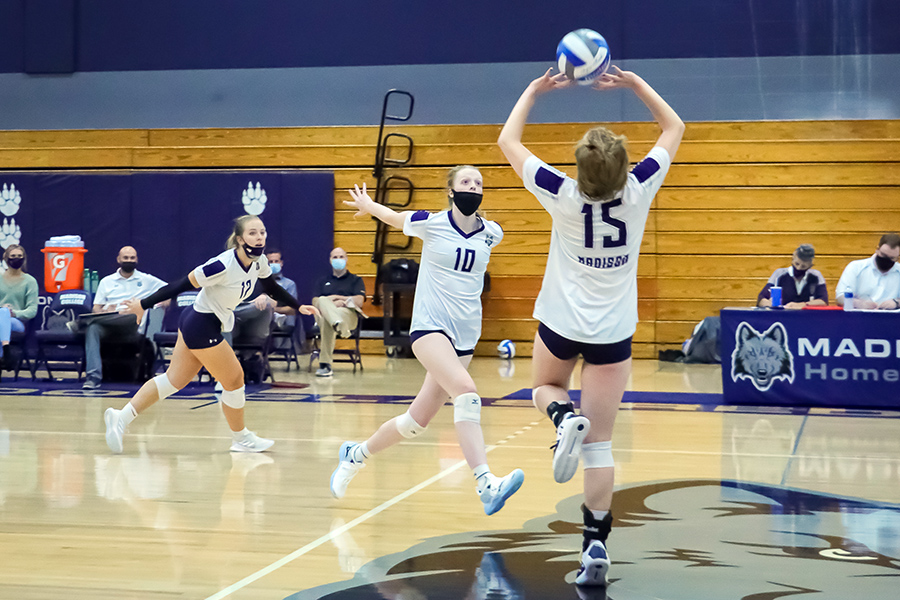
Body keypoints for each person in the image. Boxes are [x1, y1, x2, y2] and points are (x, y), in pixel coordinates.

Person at [498, 66, 684, 586]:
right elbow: (674, 129)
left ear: (579, 170)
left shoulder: (562, 193)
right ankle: (595, 546)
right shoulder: (641, 188)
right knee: (600, 444)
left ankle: (560, 418)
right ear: (625, 167)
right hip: (613, 334)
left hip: (562, 322)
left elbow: (507, 140)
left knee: (544, 386)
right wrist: (635, 84)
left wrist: (534, 91)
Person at [331, 170, 525, 516]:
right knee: (466, 392)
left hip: (466, 335)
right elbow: (394, 217)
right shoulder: (431, 223)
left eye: (479, 184)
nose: (473, 188)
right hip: (430, 329)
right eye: (466, 183)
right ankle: (486, 483)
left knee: (415, 423)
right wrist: (368, 204)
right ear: (450, 191)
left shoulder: (492, 233)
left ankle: (355, 454)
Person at [103, 215, 318, 454]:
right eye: (253, 233)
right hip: (201, 323)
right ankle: (241, 438)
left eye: (263, 232)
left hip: (203, 323)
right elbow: (180, 284)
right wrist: (144, 304)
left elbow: (270, 287)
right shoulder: (221, 265)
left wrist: (298, 306)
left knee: (174, 380)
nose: (259, 238)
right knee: (235, 378)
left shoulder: (259, 261)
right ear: (239, 239)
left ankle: (119, 418)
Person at [80, 246, 167, 390]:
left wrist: (158, 302)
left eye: (132, 258)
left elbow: (168, 291)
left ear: (137, 260)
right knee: (93, 328)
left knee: (129, 314)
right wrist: (105, 311)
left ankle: (79, 323)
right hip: (108, 325)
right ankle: (93, 378)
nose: (129, 261)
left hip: (131, 325)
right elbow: (96, 308)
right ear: (118, 260)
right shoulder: (106, 281)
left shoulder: (146, 279)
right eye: (126, 258)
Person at [312, 247, 366, 377]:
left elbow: (359, 301)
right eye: (335, 257)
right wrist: (330, 304)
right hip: (326, 316)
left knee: (327, 316)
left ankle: (325, 365)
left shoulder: (355, 280)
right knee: (323, 302)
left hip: (347, 314)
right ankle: (337, 323)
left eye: (341, 257)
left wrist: (339, 299)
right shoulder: (322, 281)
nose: (338, 260)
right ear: (330, 260)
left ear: (346, 259)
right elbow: (315, 302)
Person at [835, 232, 900, 310]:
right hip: (859, 318)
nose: (886, 260)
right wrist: (860, 303)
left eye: (892, 258)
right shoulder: (856, 267)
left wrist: (897, 303)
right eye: (883, 255)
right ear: (877, 249)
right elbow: (840, 298)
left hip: (891, 319)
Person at [0, 245, 39, 368]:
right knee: (3, 313)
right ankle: (5, 353)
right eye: (13, 256)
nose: (16, 259)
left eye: (19, 257)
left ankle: (5, 352)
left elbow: (32, 310)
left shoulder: (30, 281)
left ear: (24, 259)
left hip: (18, 323)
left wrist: (14, 313)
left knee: (4, 312)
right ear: (6, 259)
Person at [756, 244, 828, 309]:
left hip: (807, 317)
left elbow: (824, 301)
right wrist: (768, 304)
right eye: (797, 264)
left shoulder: (816, 276)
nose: (798, 268)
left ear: (810, 265)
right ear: (793, 259)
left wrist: (803, 305)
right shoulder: (779, 274)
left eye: (803, 266)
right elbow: (762, 298)